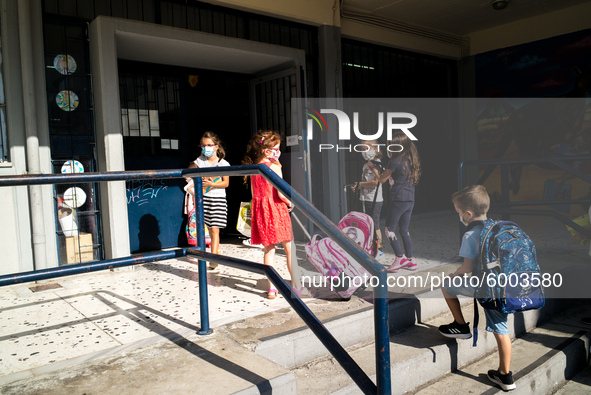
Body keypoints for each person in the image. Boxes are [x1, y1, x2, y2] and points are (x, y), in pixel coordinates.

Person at [438, 185, 516, 391]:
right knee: (502, 329)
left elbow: (467, 267)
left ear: (468, 213)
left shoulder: (470, 234)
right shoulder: (498, 227)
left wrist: (454, 275)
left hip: (487, 288)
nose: (459, 216)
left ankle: (460, 325)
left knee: (446, 284)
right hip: (505, 286)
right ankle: (505, 374)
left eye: (458, 212)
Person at [242, 130, 294, 299]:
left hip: (261, 210)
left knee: (268, 250)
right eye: (276, 148)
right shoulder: (275, 167)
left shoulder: (255, 167)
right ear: (267, 149)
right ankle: (297, 285)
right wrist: (290, 202)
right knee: (289, 249)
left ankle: (272, 288)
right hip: (276, 208)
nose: (278, 152)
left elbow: (253, 193)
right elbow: (280, 193)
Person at [378, 131, 421, 271]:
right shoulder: (409, 160)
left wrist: (373, 168)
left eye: (389, 145)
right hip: (410, 200)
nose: (387, 147)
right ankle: (410, 260)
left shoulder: (395, 161)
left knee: (389, 230)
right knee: (404, 230)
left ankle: (399, 257)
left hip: (398, 199)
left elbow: (381, 180)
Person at [186, 131, 230, 270]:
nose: (206, 148)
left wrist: (212, 184)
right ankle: (216, 250)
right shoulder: (200, 162)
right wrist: (197, 161)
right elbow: (187, 173)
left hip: (218, 199)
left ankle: (213, 258)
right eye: (203, 146)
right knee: (210, 228)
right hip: (204, 199)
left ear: (216, 146)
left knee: (215, 229)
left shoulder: (224, 164)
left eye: (209, 145)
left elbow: (225, 183)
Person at [351, 140, 384, 259]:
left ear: (375, 149)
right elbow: (363, 182)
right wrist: (358, 186)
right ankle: (368, 247)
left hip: (374, 199)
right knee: (365, 224)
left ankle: (379, 249)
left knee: (375, 225)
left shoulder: (378, 164)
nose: (365, 152)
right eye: (363, 149)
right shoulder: (365, 165)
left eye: (367, 148)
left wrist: (361, 184)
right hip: (364, 199)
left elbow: (376, 182)